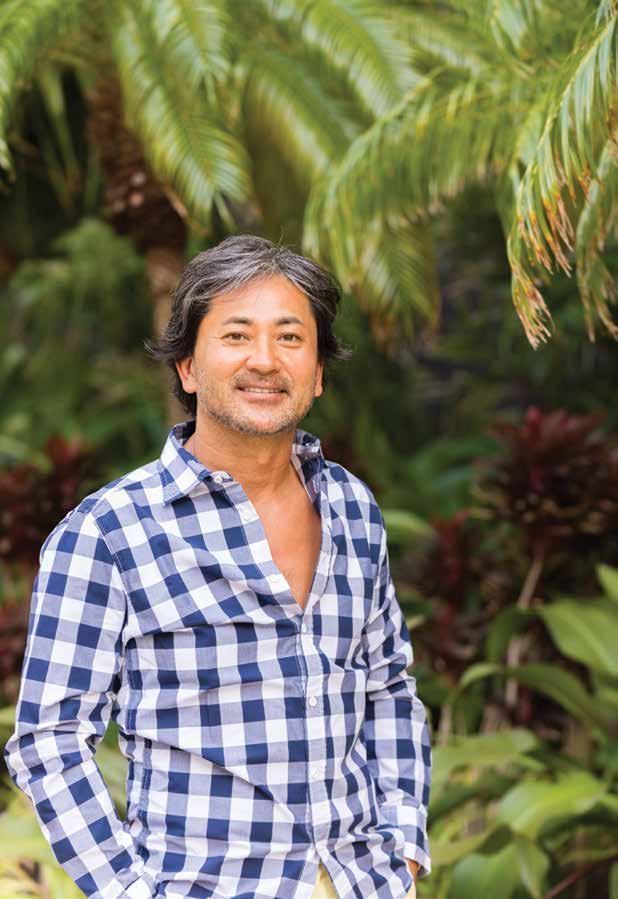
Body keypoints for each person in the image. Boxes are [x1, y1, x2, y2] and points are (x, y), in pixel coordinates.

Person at [4, 234, 431, 899]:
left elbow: (389, 687)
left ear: (318, 372)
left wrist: (402, 848)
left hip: (359, 882)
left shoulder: (352, 507)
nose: (265, 359)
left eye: (290, 337)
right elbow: (48, 741)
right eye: (236, 335)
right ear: (187, 367)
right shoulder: (109, 533)